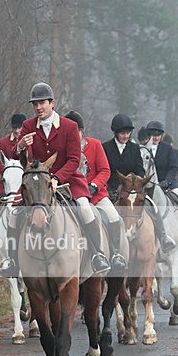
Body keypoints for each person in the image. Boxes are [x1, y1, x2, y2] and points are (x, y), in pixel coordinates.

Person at [0, 82, 111, 277]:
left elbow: (75, 159)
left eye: (42, 103)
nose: (38, 107)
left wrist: (57, 178)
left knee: (85, 208)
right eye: (35, 104)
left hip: (68, 179)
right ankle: (12, 261)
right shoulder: (28, 126)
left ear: (52, 103)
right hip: (36, 182)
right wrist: (20, 146)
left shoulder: (70, 127)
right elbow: (13, 155)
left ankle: (97, 254)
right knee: (15, 212)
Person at [102, 114, 176, 252]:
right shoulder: (105, 147)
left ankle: (163, 237)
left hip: (133, 188)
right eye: (122, 133)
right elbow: (104, 169)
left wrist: (134, 179)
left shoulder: (135, 148)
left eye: (128, 133)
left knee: (151, 206)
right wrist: (112, 187)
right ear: (115, 132)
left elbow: (140, 170)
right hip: (112, 188)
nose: (126, 136)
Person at [65, 111, 126, 271]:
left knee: (113, 217)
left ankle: (115, 253)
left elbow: (105, 170)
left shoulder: (95, 144)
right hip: (73, 195)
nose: (73, 135)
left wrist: (94, 185)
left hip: (97, 195)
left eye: (76, 131)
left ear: (82, 131)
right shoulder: (63, 149)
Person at [145, 120, 178, 237]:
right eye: (154, 135)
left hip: (166, 182)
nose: (156, 138)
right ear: (149, 135)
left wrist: (167, 181)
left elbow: (174, 167)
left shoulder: (167, 148)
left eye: (158, 135)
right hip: (147, 184)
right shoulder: (143, 149)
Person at [0, 112, 26, 209]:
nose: (17, 130)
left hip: (25, 181)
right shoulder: (3, 142)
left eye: (20, 128)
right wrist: (9, 173)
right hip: (8, 180)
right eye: (14, 128)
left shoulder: (30, 141)